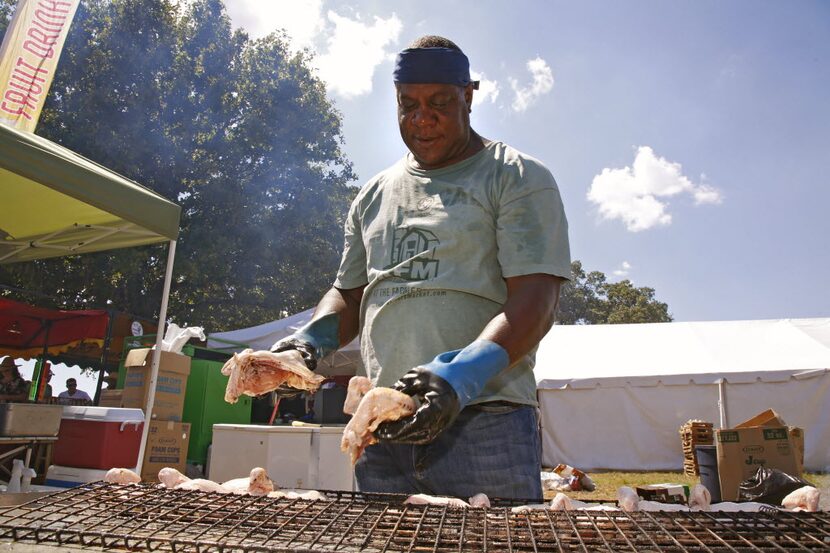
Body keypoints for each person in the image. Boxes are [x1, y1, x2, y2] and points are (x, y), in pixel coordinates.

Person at [270, 35, 570, 501]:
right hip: (383, 422)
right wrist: (308, 342)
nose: (421, 118)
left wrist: (462, 373)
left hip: (484, 424)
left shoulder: (515, 176)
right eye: (407, 104)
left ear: (468, 96)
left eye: (439, 103)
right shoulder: (373, 195)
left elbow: (537, 299)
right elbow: (348, 294)